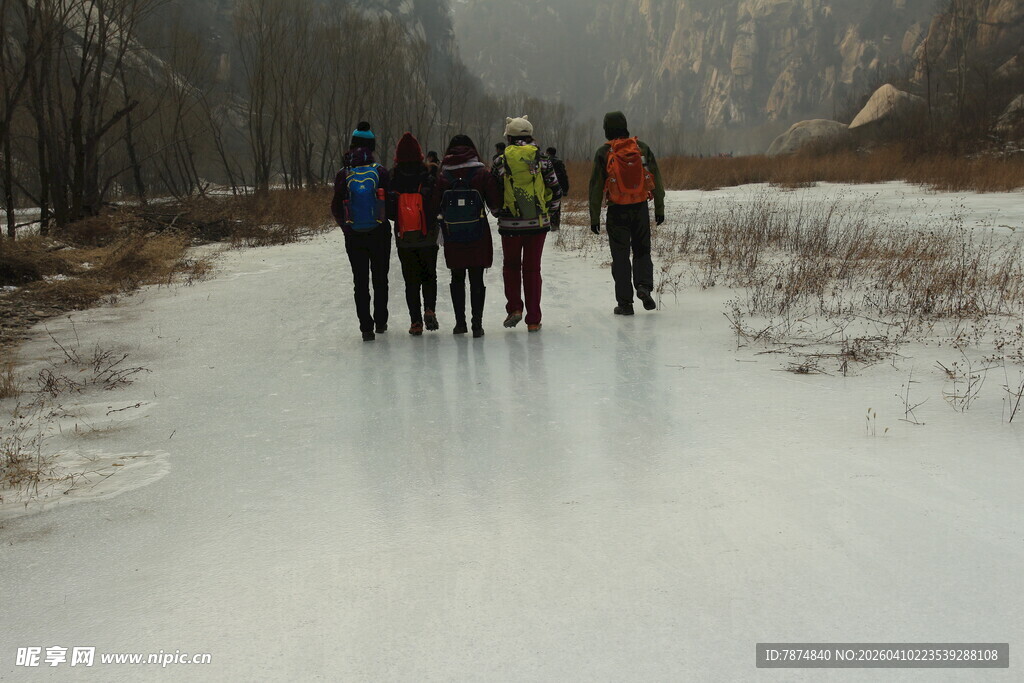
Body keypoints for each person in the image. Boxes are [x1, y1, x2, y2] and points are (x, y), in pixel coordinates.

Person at [588, 111, 665, 315]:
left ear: (607, 129)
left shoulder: (603, 152)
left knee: (620, 257)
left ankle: (625, 304)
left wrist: (594, 217)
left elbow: (595, 186)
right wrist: (659, 208)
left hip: (616, 210)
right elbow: (656, 177)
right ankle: (643, 287)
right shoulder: (641, 148)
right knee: (642, 251)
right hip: (639, 208)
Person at [492, 116, 561, 332]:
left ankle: (514, 309)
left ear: (509, 137)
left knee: (511, 267)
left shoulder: (500, 161)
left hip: (509, 225)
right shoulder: (542, 160)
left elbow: (493, 193)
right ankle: (533, 320)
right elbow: (556, 190)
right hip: (537, 224)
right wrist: (547, 213)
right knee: (532, 269)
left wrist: (499, 214)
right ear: (531, 135)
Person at [431, 134, 501, 338]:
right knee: (477, 278)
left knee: (457, 277)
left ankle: (460, 323)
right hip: (478, 233)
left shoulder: (443, 176)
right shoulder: (481, 172)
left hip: (453, 234)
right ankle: (477, 324)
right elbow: (495, 205)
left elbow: (435, 206)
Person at [331, 121, 391, 341]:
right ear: (372, 146)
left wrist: (347, 228)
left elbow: (336, 207)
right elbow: (390, 203)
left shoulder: (343, 173)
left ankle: (366, 327)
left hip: (355, 234)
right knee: (380, 278)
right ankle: (381, 321)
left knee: (360, 280)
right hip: (379, 231)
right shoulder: (380, 171)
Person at [388, 132, 440, 336]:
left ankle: (415, 322)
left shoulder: (393, 176)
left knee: (411, 280)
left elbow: (390, 209)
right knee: (429, 275)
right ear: (419, 153)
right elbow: (436, 203)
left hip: (405, 237)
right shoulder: (428, 174)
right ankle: (429, 308)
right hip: (427, 234)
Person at [545, 146, 570, 230]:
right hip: (557, 187)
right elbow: (564, 176)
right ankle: (555, 224)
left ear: (548, 152)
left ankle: (545, 223)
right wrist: (565, 189)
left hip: (546, 187)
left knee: (545, 205)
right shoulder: (559, 162)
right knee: (556, 205)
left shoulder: (545, 162)